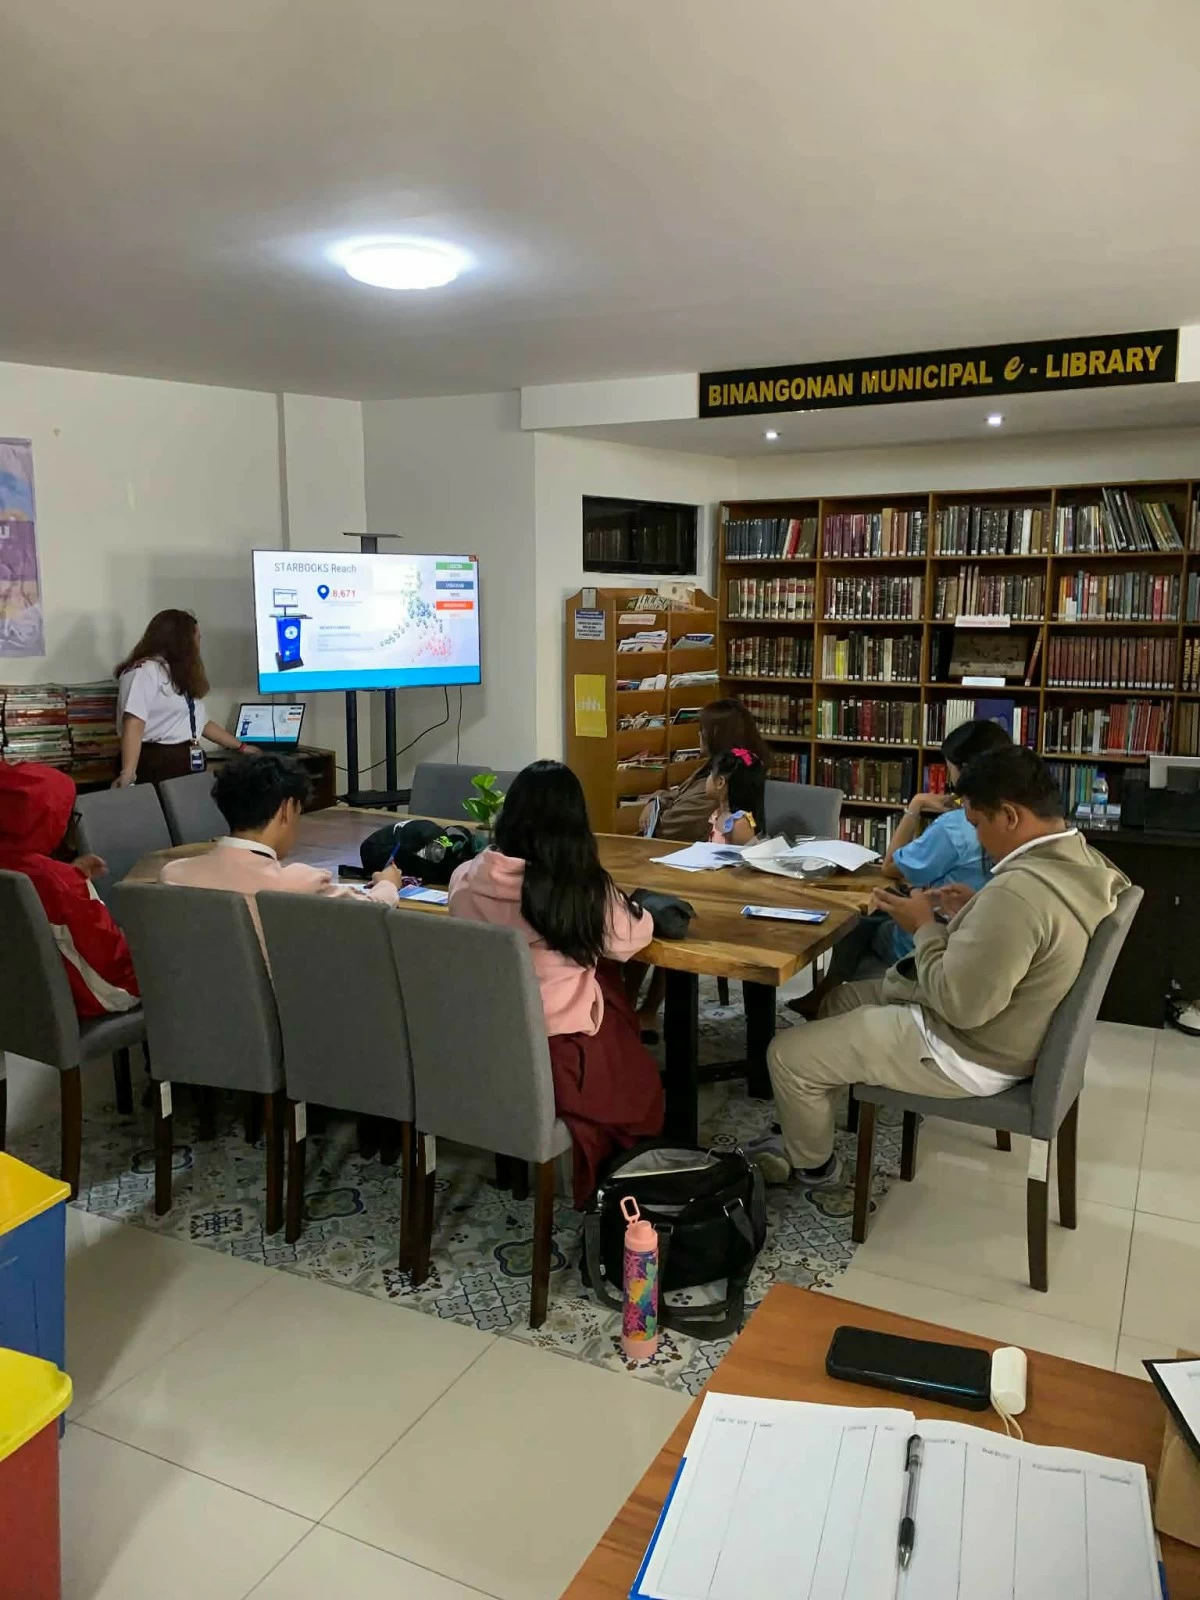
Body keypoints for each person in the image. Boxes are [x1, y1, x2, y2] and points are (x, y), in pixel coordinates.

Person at [750, 746, 1129, 1188]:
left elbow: (961, 1006)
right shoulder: (1080, 860)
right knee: (841, 998)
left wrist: (924, 927)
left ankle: (814, 1168)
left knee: (786, 1054)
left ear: (1008, 816)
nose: (979, 839)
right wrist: (976, 910)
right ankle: (814, 1114)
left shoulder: (1019, 894)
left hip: (968, 1049)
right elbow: (1032, 940)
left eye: (978, 824)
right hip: (1009, 1027)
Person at [448, 759, 663, 1204]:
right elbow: (628, 939)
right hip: (561, 1052)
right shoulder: (578, 890)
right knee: (644, 1086)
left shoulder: (467, 878)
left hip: (489, 1041)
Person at [790, 719, 1013, 1019]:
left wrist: (916, 805)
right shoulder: (1011, 817)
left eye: (950, 768)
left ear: (964, 770)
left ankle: (828, 993)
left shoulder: (955, 827)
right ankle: (823, 993)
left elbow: (891, 866)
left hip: (934, 938)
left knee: (861, 917)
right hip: (975, 932)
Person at [160, 753, 404, 941]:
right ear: (286, 810)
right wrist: (388, 884)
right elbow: (372, 911)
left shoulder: (174, 875)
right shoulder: (300, 883)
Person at [0, 760, 139, 1017]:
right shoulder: (60, 883)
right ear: (47, 819)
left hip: (17, 1004)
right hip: (80, 1002)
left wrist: (70, 872)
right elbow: (113, 979)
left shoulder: (21, 871)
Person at [115, 609, 253, 788]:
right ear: (182, 641)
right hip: (156, 762)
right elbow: (134, 722)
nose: (199, 643)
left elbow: (201, 723)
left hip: (186, 760)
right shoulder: (144, 671)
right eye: (197, 637)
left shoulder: (178, 674)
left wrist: (241, 747)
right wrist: (128, 772)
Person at [646, 698, 770, 842]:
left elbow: (668, 827)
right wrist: (655, 800)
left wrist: (655, 809)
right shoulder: (712, 769)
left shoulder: (722, 788)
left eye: (703, 730)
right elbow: (676, 793)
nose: (699, 735)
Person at [707, 746, 766, 845]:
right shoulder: (718, 813)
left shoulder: (740, 824)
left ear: (720, 782)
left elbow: (741, 859)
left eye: (710, 773)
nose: (707, 778)